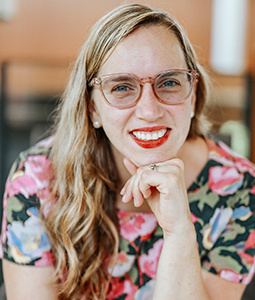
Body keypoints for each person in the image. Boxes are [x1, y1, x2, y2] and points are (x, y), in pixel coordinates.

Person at [1, 3, 254, 300]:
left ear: (193, 92)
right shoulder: (36, 181)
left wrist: (179, 232)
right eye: (122, 87)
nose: (149, 111)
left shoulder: (239, 189)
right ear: (92, 106)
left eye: (169, 82)